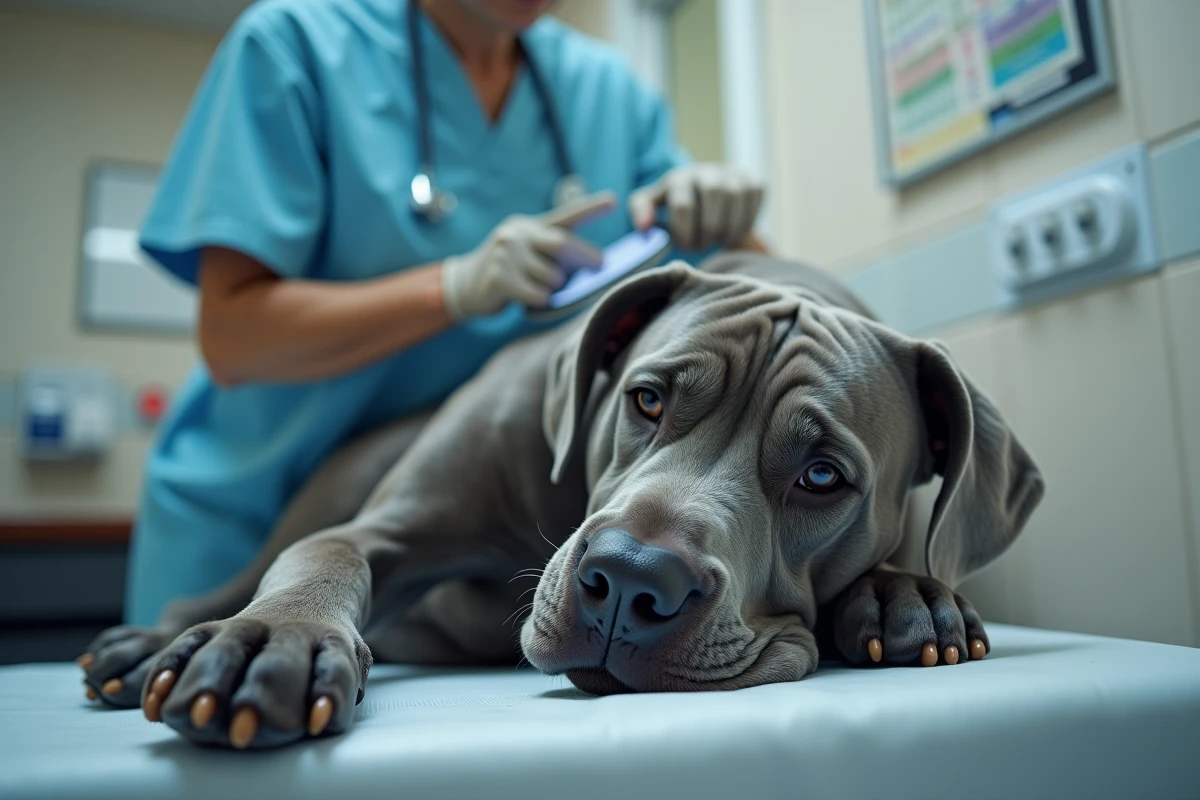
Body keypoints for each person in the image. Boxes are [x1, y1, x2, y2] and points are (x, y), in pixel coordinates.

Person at [125, 0, 766, 626]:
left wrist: (728, 215)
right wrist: (454, 288)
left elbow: (755, 292)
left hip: (450, 537)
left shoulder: (610, 93)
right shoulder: (293, 44)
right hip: (256, 511)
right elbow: (233, 339)